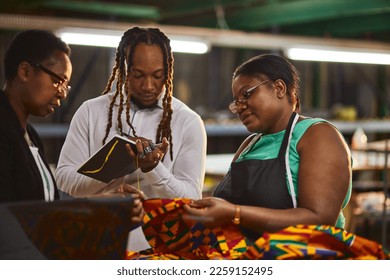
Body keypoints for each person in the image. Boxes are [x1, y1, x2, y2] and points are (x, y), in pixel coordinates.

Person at [55, 27, 207, 251]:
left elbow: (191, 199)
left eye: (157, 76)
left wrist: (153, 168)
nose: (148, 86)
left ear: (168, 71)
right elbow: (64, 179)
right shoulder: (90, 111)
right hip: (96, 241)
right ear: (124, 70)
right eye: (138, 75)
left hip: (158, 250)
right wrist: (113, 168)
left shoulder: (187, 121)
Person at [184, 54, 352, 242]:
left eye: (246, 94)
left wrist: (235, 213)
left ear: (279, 88)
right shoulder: (249, 145)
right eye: (236, 101)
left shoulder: (317, 135)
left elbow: (320, 221)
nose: (239, 107)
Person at [0, 29, 72, 202]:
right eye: (57, 81)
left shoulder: (30, 135)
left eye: (65, 86)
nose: (62, 94)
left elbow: (45, 208)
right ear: (25, 71)